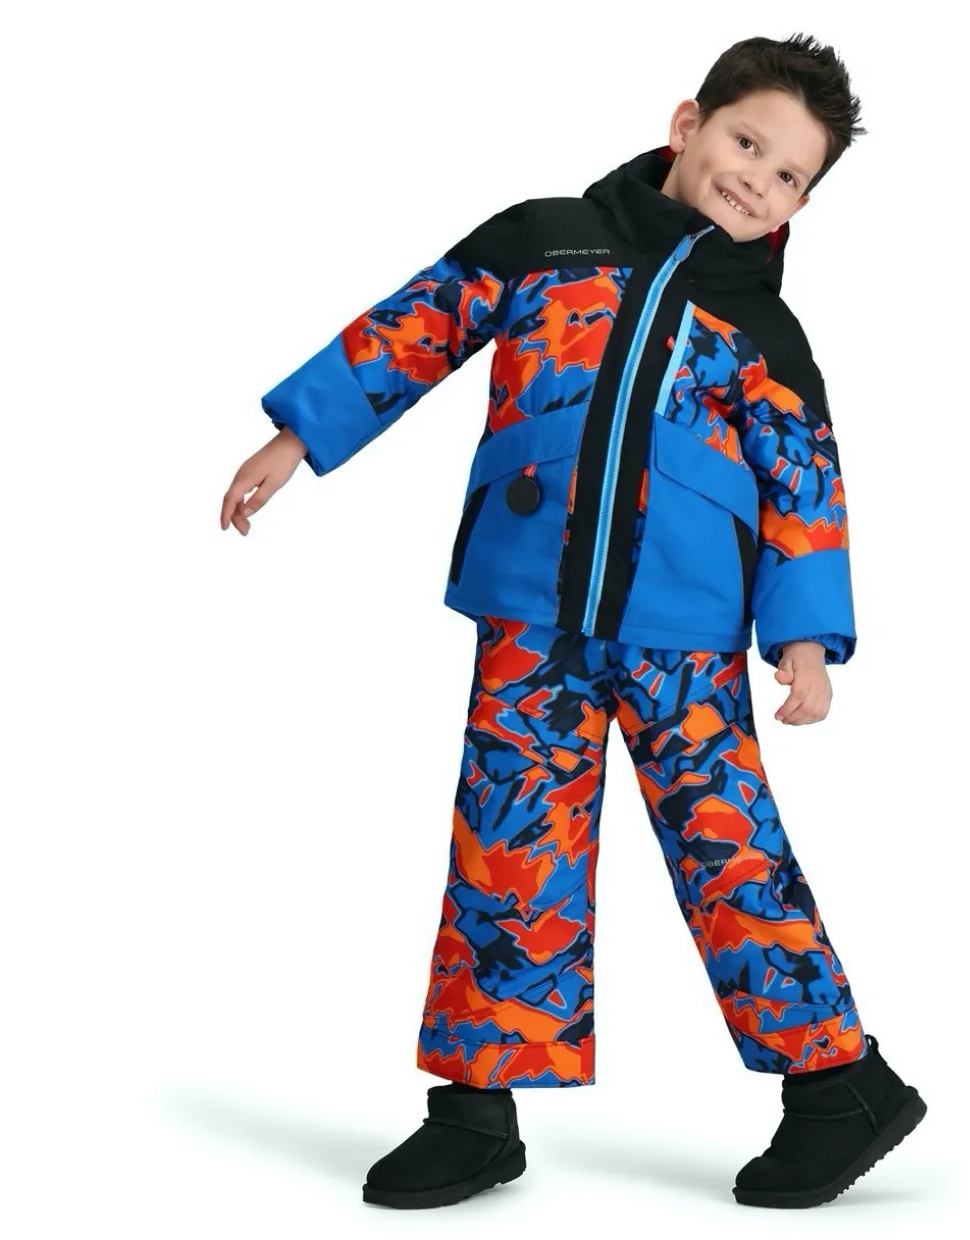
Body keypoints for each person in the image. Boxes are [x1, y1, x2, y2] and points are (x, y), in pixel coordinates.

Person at [220, 32, 926, 1212]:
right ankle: (474, 1113)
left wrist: (803, 640)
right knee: (509, 851)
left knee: (727, 849)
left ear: (802, 204)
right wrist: (298, 436)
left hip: (684, 634)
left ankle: (838, 1084)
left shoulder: (766, 333)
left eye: (789, 175)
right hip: (531, 613)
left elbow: (804, 488)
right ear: (687, 123)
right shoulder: (547, 238)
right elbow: (418, 324)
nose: (756, 180)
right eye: (746, 142)